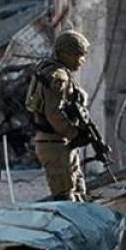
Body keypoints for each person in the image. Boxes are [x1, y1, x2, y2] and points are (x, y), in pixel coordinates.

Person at [25, 30, 91, 201]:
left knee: (79, 194)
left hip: (61, 144)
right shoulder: (58, 77)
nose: (81, 61)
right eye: (78, 55)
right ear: (65, 54)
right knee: (65, 198)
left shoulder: (54, 71)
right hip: (54, 144)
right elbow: (54, 113)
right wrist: (74, 134)